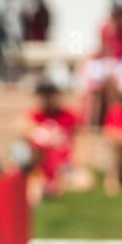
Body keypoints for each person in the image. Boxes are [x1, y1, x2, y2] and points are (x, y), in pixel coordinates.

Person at [80, 0, 122, 125]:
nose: (119, 19)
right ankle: (87, 123)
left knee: (117, 83)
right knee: (89, 85)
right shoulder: (106, 28)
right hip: (109, 63)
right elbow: (106, 51)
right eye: (117, 15)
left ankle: (112, 122)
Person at [25, 75, 79, 204]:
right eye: (44, 94)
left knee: (83, 181)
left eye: (50, 93)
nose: (47, 98)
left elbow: (78, 142)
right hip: (41, 166)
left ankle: (53, 187)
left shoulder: (69, 116)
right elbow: (23, 128)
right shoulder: (34, 116)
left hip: (64, 165)